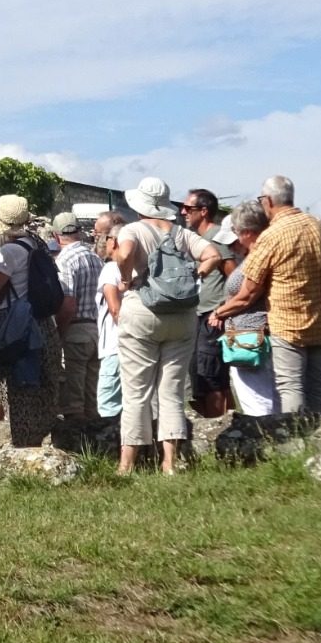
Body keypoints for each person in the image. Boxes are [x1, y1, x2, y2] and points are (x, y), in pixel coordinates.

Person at [108, 178, 222, 475]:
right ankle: (170, 461)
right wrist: (194, 274)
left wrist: (124, 276)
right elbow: (214, 255)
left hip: (143, 309)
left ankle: (127, 463)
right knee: (171, 391)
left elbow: (124, 253)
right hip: (182, 314)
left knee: (136, 391)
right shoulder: (182, 233)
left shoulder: (133, 229)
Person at [213, 175, 321, 416]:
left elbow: (250, 290)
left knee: (290, 385)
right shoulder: (318, 225)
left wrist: (219, 311)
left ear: (269, 201)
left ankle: (293, 438)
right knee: (320, 384)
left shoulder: (272, 236)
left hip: (288, 321)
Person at [0, 195, 61, 448]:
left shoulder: (10, 252)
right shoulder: (37, 244)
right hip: (43, 324)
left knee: (16, 389)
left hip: (15, 325)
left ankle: (23, 446)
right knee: (41, 387)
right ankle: (42, 442)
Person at [218, 203, 279, 416]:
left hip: (252, 335)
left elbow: (247, 296)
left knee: (258, 398)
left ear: (246, 232)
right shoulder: (251, 257)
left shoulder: (256, 257)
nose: (233, 246)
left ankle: (266, 437)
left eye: (235, 237)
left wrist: (220, 312)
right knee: (260, 394)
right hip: (248, 333)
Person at [181, 189, 235, 419]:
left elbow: (234, 277)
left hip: (212, 317)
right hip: (198, 316)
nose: (183, 212)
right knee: (201, 378)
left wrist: (223, 310)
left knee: (211, 376)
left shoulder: (216, 238)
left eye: (188, 208)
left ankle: (218, 428)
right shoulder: (197, 240)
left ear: (203, 211)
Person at [50, 211, 100, 427]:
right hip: (96, 329)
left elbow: (68, 304)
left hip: (76, 329)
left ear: (56, 235)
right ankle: (98, 445)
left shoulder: (65, 260)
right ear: (79, 231)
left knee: (74, 399)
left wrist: (58, 333)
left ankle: (78, 446)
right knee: (92, 396)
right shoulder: (95, 257)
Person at [93, 212, 125, 418]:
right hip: (136, 345)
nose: (97, 240)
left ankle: (112, 448)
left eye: (99, 235)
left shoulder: (111, 268)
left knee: (108, 404)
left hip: (116, 345)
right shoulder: (140, 265)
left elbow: (114, 309)